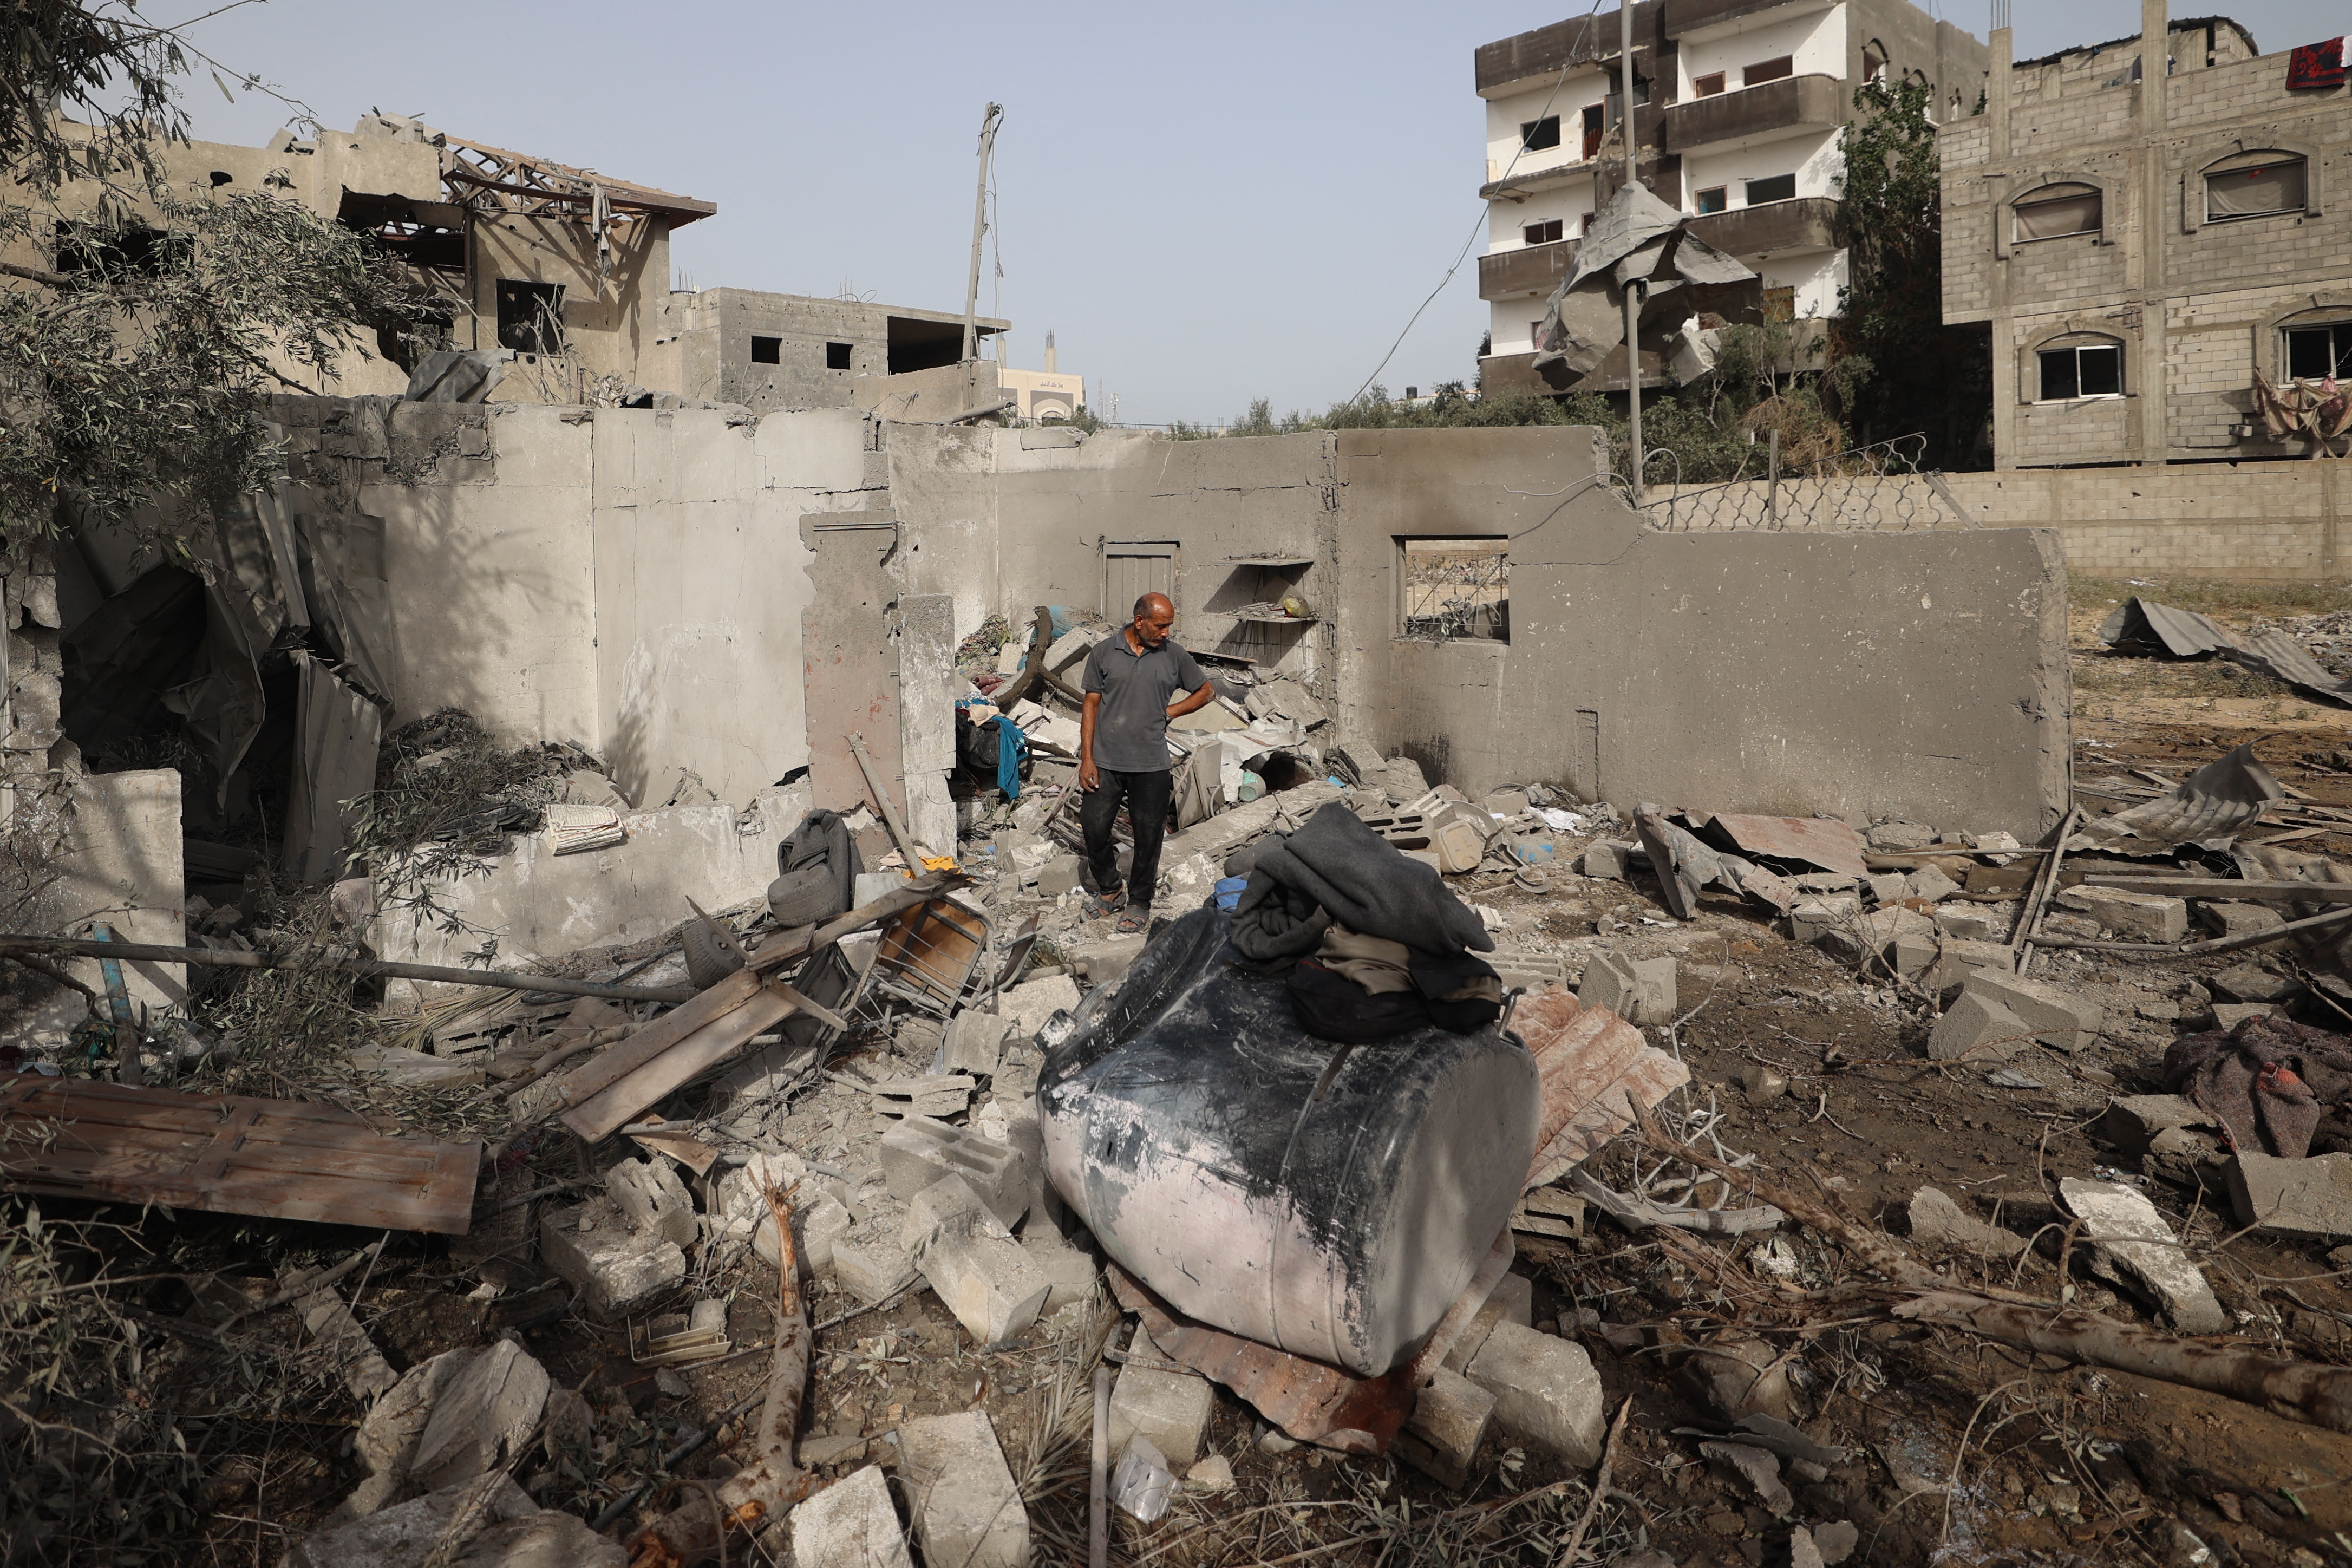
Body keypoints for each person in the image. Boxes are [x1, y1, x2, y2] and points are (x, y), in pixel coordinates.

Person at [1078, 592, 1217, 933]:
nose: (1166, 632)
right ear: (1140, 622)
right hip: (1107, 761)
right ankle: (1111, 890)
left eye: (1169, 625)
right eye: (1161, 625)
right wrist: (1087, 759)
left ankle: (1140, 902)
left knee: (1148, 836)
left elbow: (1206, 691)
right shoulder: (1104, 653)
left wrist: (1171, 711)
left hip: (1152, 765)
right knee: (1094, 828)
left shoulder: (1174, 656)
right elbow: (1091, 707)